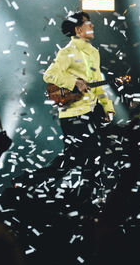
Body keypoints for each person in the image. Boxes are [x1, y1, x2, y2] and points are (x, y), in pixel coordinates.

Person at [42, 11, 115, 191]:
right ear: (78, 29)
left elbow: (98, 84)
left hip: (90, 112)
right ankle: (88, 194)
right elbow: (49, 75)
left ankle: (88, 195)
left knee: (79, 157)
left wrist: (108, 107)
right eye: (88, 24)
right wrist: (73, 82)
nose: (92, 26)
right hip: (73, 114)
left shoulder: (94, 53)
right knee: (88, 155)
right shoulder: (67, 52)